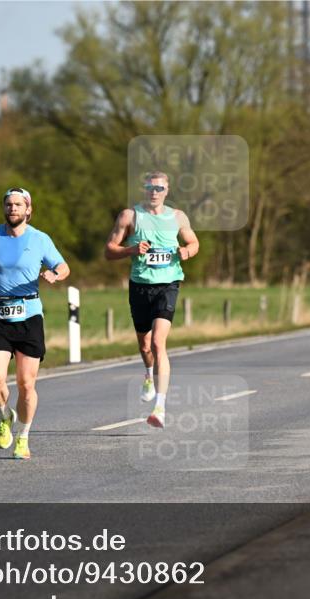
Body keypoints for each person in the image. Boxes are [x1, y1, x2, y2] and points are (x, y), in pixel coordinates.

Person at [0, 187, 70, 459]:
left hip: (29, 316)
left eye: (17, 205)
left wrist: (54, 274)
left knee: (26, 384)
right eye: (8, 204)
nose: (12, 208)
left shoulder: (40, 239)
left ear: (28, 210)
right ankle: (5, 416)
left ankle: (23, 437)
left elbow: (63, 266)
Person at [105, 171, 199, 428]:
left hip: (168, 284)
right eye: (150, 187)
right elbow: (109, 250)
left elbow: (193, 242)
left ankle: (160, 406)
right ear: (144, 189)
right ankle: (148, 374)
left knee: (158, 343)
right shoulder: (130, 216)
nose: (154, 192)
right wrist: (131, 250)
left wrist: (186, 251)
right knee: (145, 347)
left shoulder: (177, 216)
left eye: (159, 188)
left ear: (166, 191)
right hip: (140, 286)